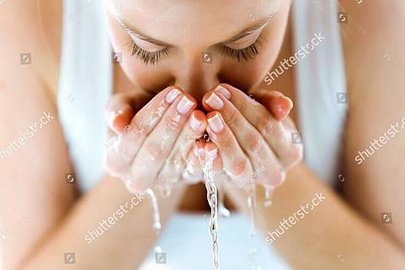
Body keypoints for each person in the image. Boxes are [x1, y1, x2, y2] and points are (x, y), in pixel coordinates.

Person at [0, 0, 404, 269]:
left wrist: (265, 180)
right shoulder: (29, 22)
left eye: (244, 45)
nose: (197, 95)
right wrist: (146, 183)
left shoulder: (375, 16)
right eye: (147, 48)